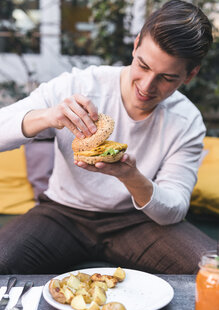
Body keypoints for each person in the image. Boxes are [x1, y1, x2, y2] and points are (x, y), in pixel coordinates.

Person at [0, 0, 216, 274]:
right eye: (143, 65)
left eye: (167, 78)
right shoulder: (79, 86)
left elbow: (173, 210)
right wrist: (48, 116)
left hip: (138, 221)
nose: (147, 87)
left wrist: (130, 176)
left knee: (213, 270)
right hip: (62, 214)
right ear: (136, 45)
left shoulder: (186, 121)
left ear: (190, 74)